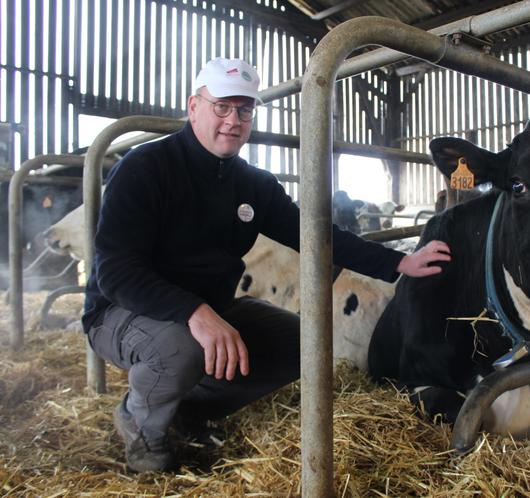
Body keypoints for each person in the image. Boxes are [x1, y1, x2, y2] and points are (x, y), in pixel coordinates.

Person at [82, 57, 451, 473]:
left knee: (305, 344)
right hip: (123, 313)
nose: (233, 120)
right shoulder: (145, 168)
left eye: (244, 109)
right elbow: (115, 271)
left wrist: (400, 262)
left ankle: (185, 409)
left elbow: (316, 236)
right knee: (180, 348)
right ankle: (140, 425)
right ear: (193, 106)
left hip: (209, 310)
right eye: (221, 106)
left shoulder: (252, 184)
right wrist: (194, 313)